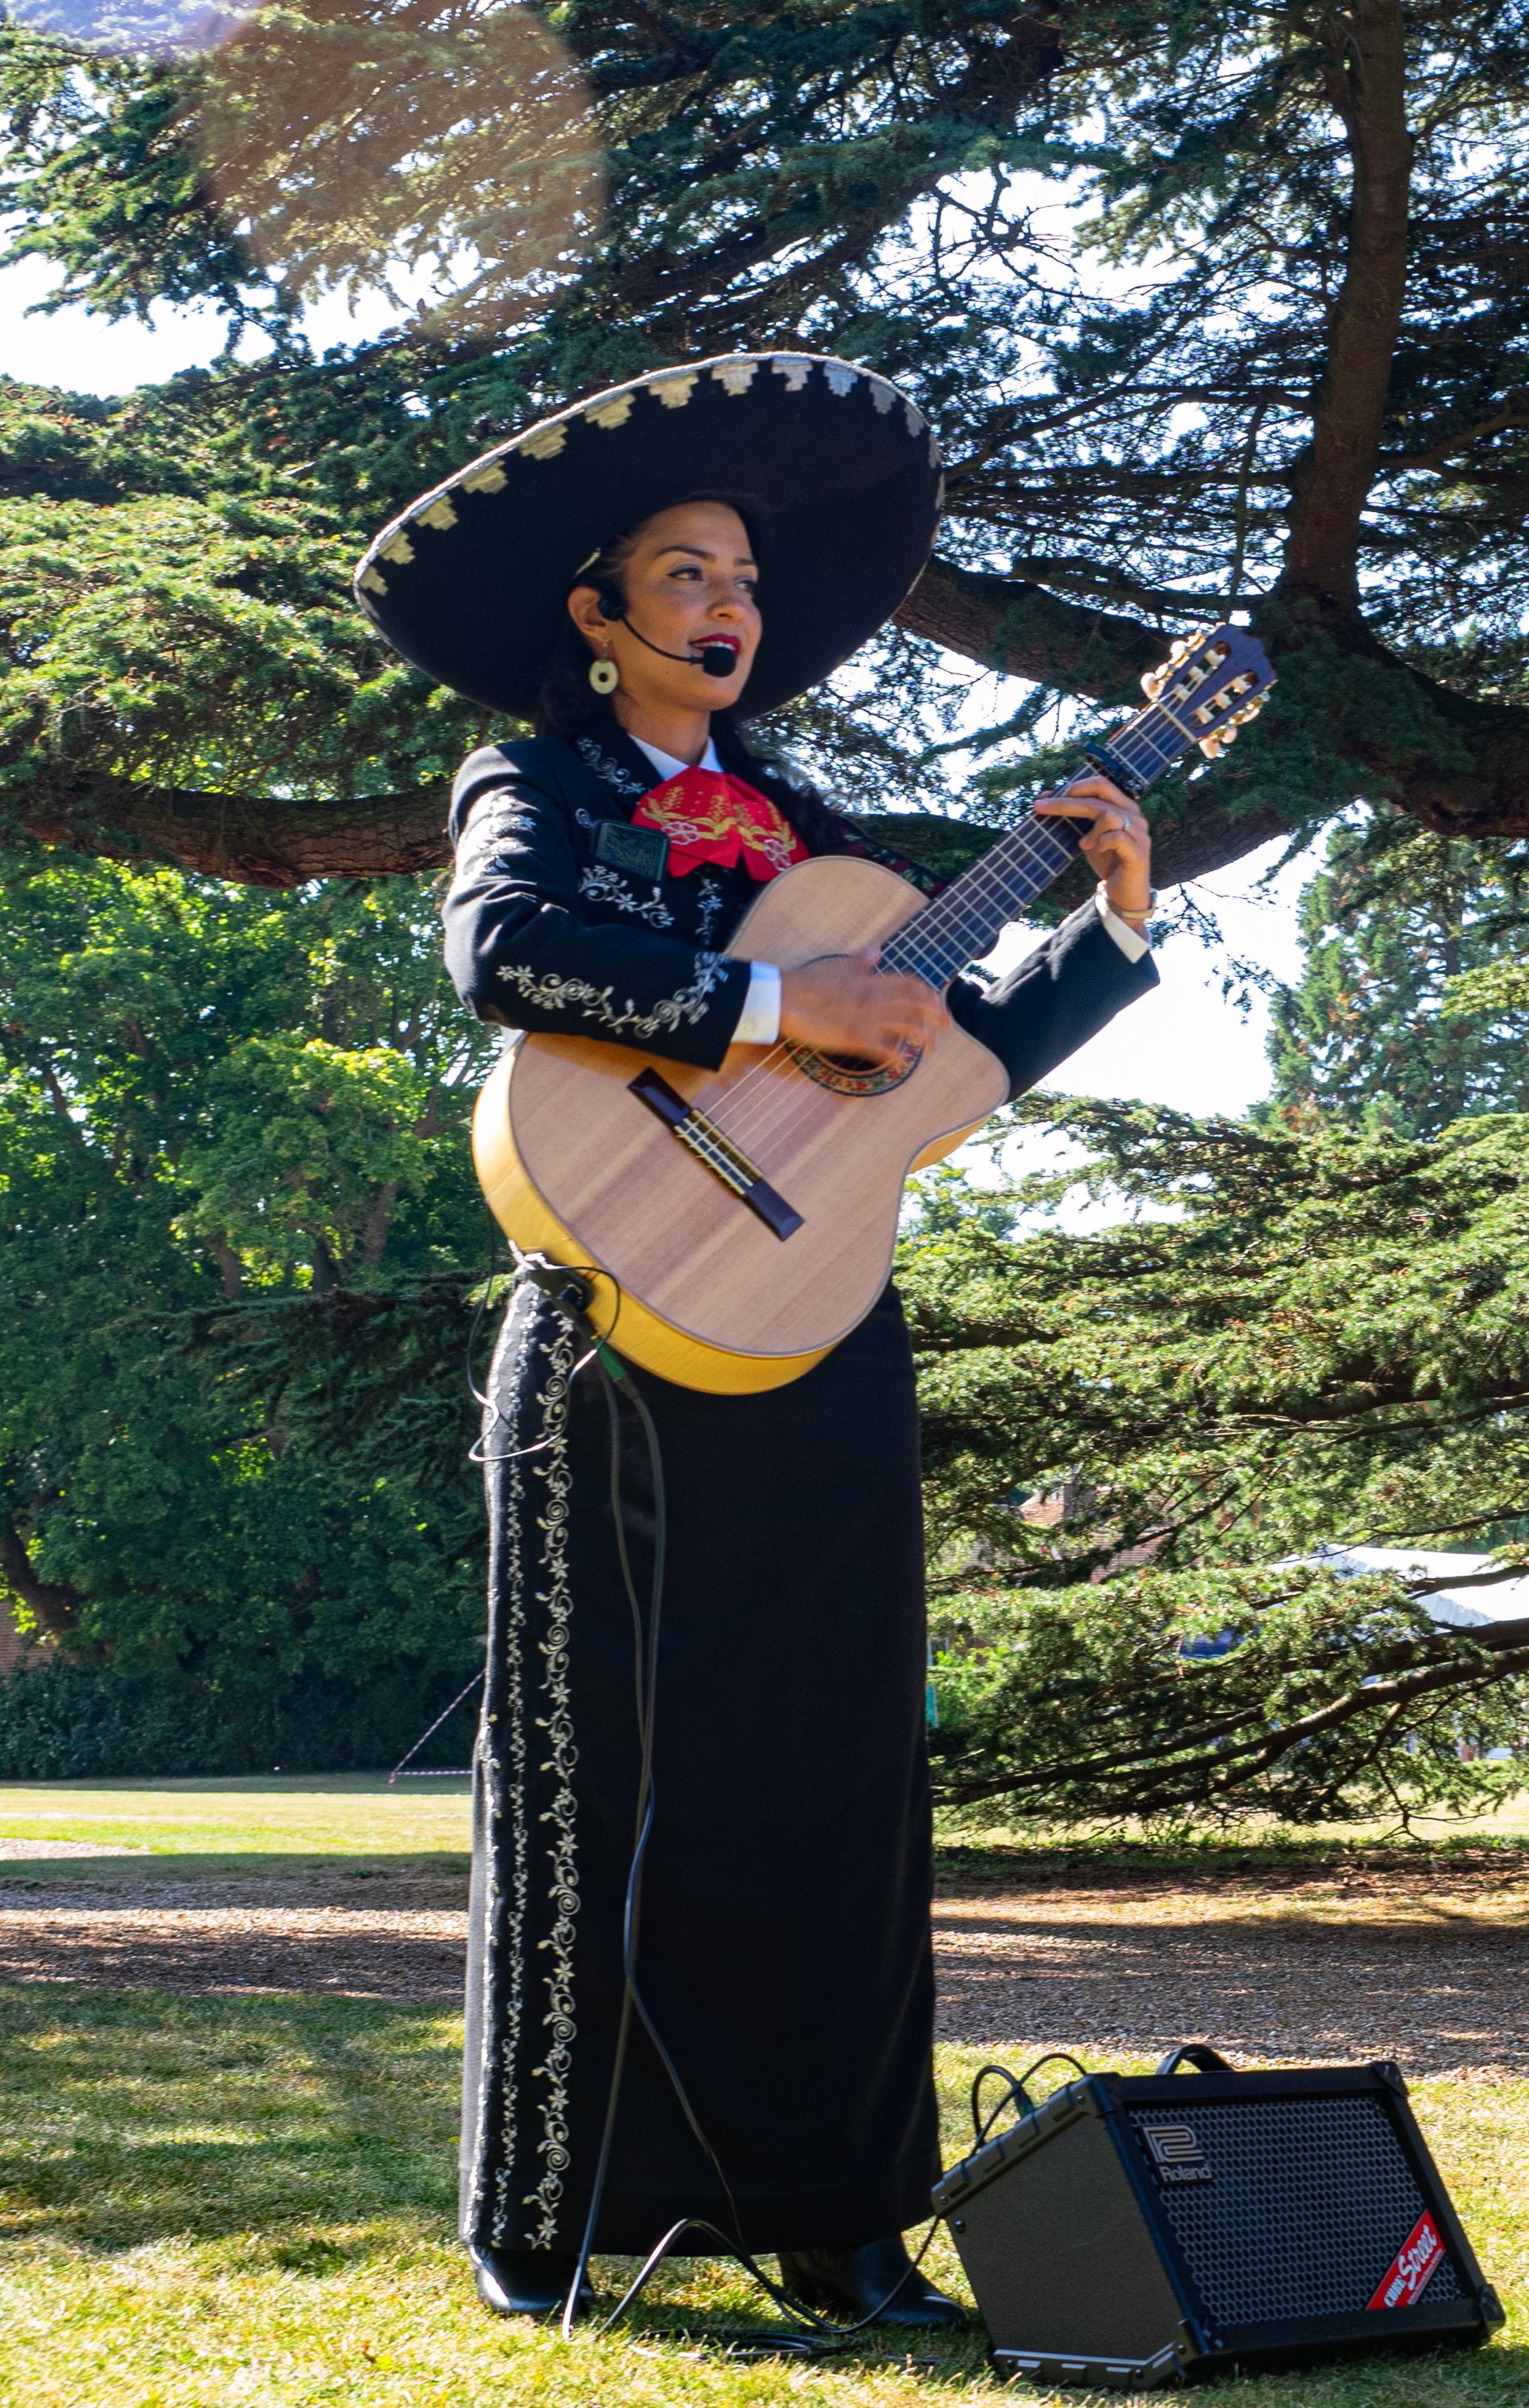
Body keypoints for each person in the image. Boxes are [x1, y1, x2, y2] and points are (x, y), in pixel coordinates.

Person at [362, 355, 1168, 2327]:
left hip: (818, 1336)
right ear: (596, 609)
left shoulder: (813, 828)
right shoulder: (533, 784)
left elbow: (929, 1073)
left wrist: (1108, 933)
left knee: (834, 1781)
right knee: (591, 1776)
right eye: (684, 568)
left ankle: (840, 2217)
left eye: (742, 576)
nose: (728, 601)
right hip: (606, 1348)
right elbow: (501, 957)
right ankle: (549, 2216)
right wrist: (758, 999)